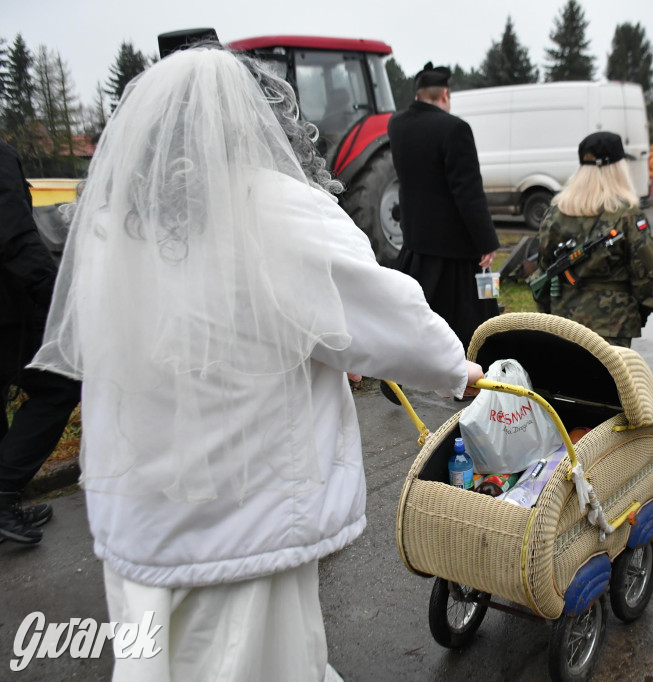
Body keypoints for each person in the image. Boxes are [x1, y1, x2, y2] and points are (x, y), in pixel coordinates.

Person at [30, 47, 483, 680]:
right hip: (244, 515)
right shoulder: (276, 207)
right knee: (258, 660)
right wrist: (456, 371)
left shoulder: (114, 221)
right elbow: (382, 311)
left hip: (139, 510)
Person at [0, 140, 81, 546]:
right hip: (10, 307)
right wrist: (57, 296)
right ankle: (3, 494)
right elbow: (14, 235)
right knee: (60, 386)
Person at [388, 62, 500, 351]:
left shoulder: (396, 124)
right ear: (445, 95)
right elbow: (469, 193)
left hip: (415, 245)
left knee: (412, 318)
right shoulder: (456, 129)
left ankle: (405, 370)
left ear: (418, 95)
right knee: (474, 320)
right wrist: (487, 242)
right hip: (457, 251)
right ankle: (474, 373)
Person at [534, 132, 653, 347]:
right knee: (609, 381)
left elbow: (544, 267)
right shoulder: (627, 215)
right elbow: (646, 275)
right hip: (612, 325)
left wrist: (548, 309)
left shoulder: (555, 213)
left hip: (564, 321)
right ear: (617, 168)